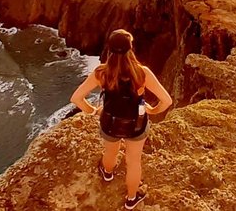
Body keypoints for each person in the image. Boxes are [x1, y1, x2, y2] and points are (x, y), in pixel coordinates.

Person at [70, 29, 173, 210]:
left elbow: (76, 98)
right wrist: (152, 110)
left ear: (109, 49)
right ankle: (131, 199)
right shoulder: (142, 73)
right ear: (130, 49)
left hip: (110, 123)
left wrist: (93, 110)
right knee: (133, 161)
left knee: (110, 153)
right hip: (136, 125)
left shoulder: (101, 72)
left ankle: (107, 173)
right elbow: (167, 101)